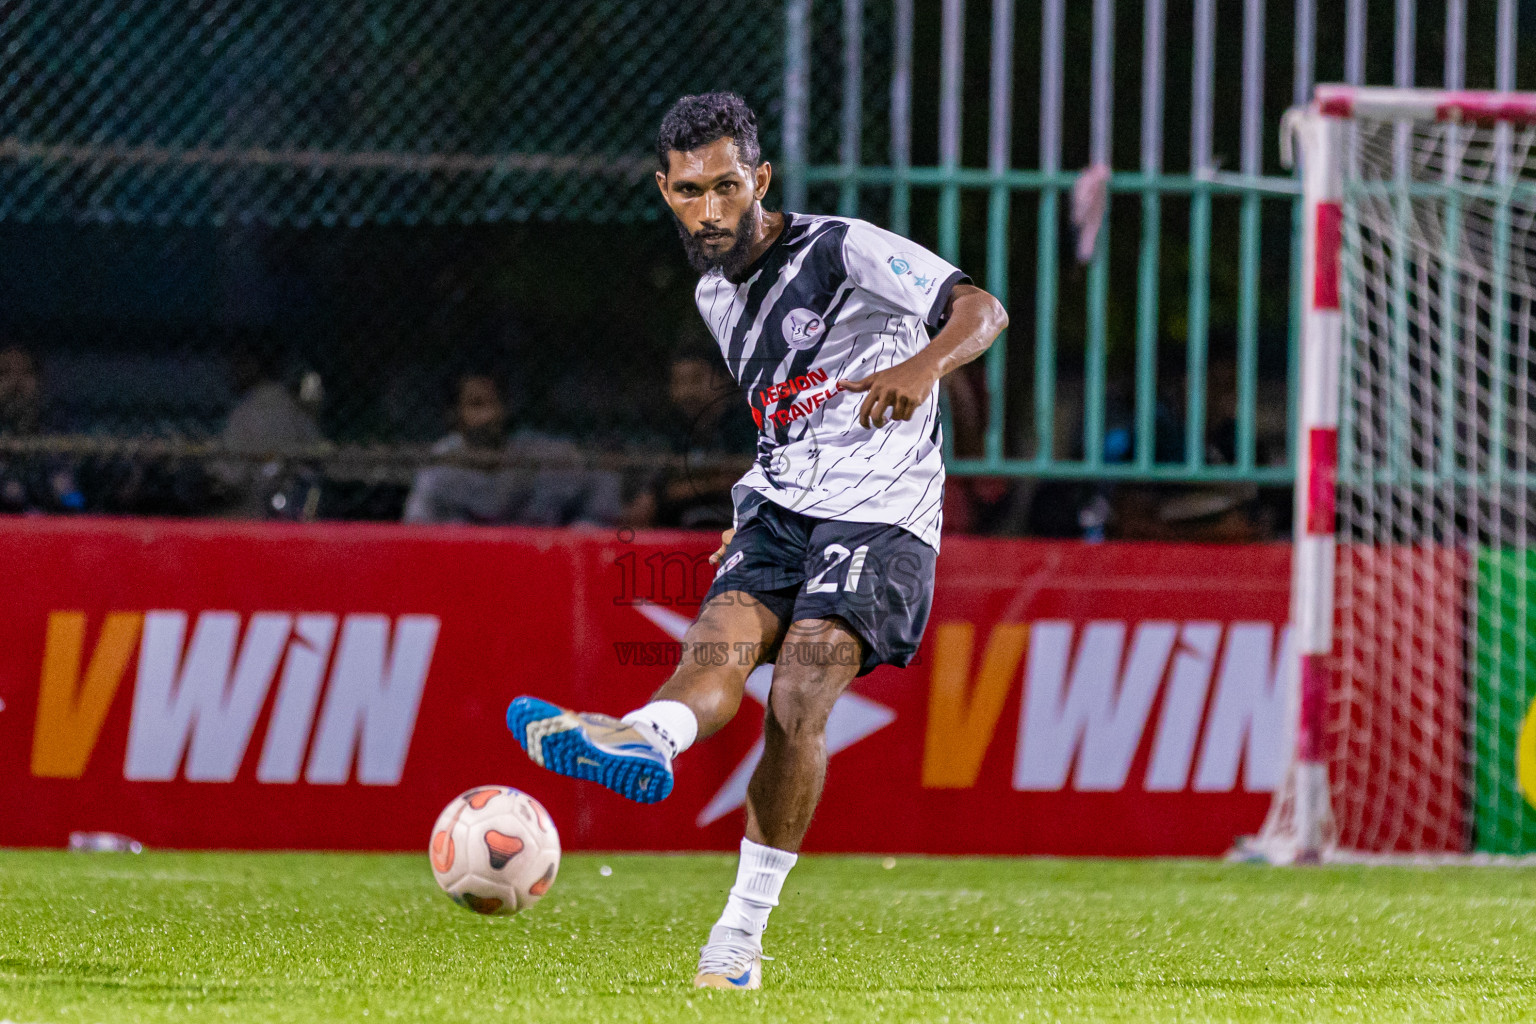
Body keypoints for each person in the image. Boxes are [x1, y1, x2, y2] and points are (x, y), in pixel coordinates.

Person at [506, 93, 1007, 989]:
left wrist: (920, 363)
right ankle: (644, 738)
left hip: (882, 512)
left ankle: (737, 938)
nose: (710, 211)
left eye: (727, 187)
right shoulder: (712, 297)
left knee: (801, 691)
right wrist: (755, 502)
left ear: (760, 180)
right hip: (779, 506)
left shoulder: (841, 246)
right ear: (665, 191)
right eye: (691, 191)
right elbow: (787, 407)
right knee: (716, 653)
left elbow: (982, 309)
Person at [402, 372, 623, 526]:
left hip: (537, 565)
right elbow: (417, 524)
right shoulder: (441, 464)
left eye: (494, 403)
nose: (490, 416)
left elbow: (603, 474)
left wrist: (584, 529)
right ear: (455, 415)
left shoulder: (539, 452)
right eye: (477, 405)